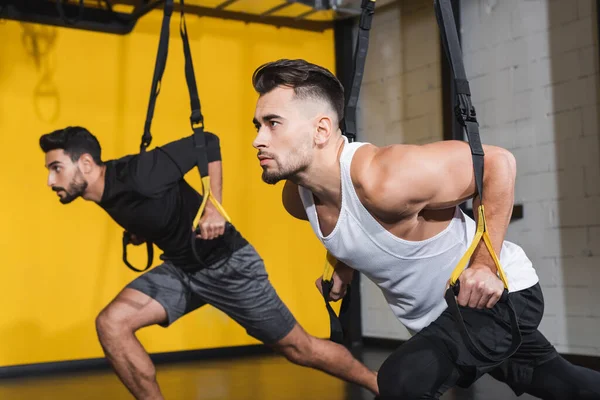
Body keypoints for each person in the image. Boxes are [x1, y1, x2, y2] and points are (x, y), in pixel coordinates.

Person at [250, 58, 600, 400]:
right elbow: (356, 220)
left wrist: (483, 265)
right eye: (258, 126)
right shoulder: (297, 199)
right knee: (564, 385)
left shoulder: (386, 177)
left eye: (273, 123)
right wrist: (343, 264)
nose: (258, 140)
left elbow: (497, 162)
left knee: (400, 384)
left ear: (322, 130)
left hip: (496, 298)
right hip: (443, 320)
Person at [39, 126, 379, 399]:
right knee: (112, 324)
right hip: (183, 268)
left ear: (84, 164)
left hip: (228, 265)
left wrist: (213, 205)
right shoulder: (106, 191)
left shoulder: (140, 172)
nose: (51, 181)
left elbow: (206, 142)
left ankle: (379, 383)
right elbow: (156, 208)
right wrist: (139, 232)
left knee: (299, 348)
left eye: (56, 169)